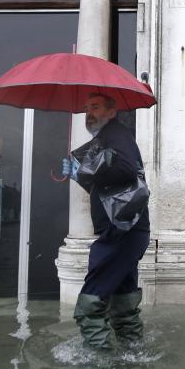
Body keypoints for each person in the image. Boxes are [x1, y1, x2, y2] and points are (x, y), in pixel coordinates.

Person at [61, 93, 150, 349]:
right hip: (127, 229)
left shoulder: (115, 134)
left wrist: (85, 169)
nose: (89, 112)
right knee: (124, 302)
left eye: (96, 107)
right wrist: (80, 175)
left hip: (121, 231)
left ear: (112, 112)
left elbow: (127, 170)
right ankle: (134, 356)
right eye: (87, 107)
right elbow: (111, 186)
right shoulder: (107, 137)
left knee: (89, 305)